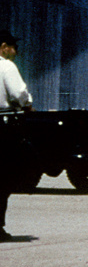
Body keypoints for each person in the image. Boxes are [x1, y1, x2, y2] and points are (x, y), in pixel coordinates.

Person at [0, 31, 32, 242]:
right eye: (14, 48)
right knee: (3, 178)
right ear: (4, 47)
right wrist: (28, 105)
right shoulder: (6, 66)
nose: (16, 53)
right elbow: (18, 93)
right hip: (2, 125)